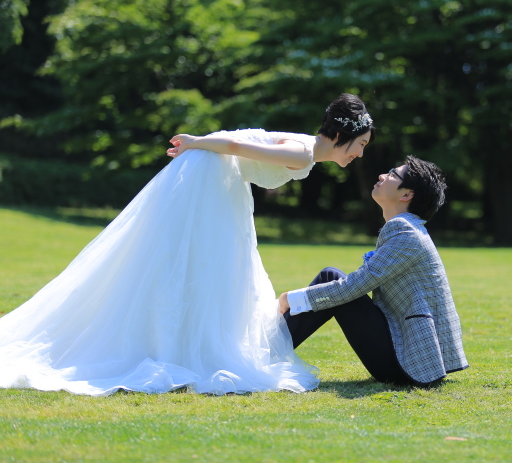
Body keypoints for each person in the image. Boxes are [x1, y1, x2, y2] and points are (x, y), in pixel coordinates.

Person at [0, 93, 374, 396]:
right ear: (342, 136)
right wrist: (197, 143)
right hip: (210, 179)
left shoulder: (305, 150)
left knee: (204, 267)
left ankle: (178, 340)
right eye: (360, 145)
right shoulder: (302, 153)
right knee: (197, 263)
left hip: (219, 182)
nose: (360, 153)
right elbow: (235, 144)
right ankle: (176, 346)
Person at [278, 156, 468, 386]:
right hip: (402, 351)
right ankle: (268, 351)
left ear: (406, 194)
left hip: (406, 364)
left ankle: (265, 353)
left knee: (332, 278)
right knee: (331, 277)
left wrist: (292, 298)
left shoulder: (406, 232)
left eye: (392, 175)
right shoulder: (408, 228)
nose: (382, 176)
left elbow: (355, 286)